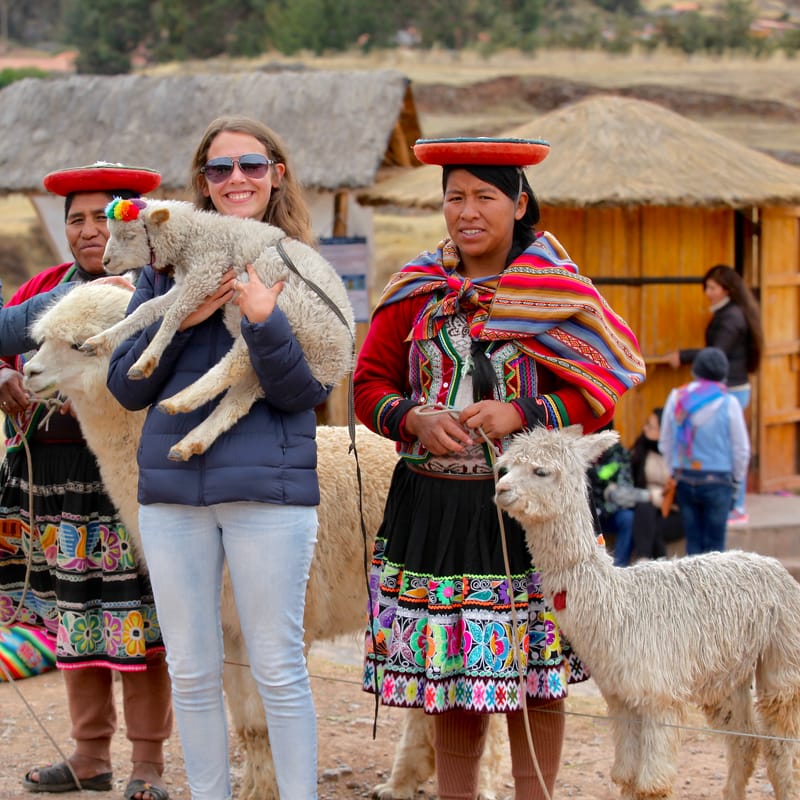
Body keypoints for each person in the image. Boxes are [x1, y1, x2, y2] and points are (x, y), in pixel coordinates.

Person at [353, 136, 645, 800]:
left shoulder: (556, 292)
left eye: (484, 196)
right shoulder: (416, 289)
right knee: (454, 675)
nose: (467, 211)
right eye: (454, 197)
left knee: (536, 674)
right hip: (437, 510)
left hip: (535, 515)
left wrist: (526, 410)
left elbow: (602, 391)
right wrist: (413, 419)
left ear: (519, 202)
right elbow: (367, 384)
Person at [107, 116, 328, 800]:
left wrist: (263, 323)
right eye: (220, 168)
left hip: (269, 493)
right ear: (201, 182)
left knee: (277, 666)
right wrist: (191, 317)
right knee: (194, 670)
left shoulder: (297, 264)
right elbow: (126, 384)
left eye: (252, 166)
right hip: (173, 496)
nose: (237, 179)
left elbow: (305, 392)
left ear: (276, 175)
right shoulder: (160, 268)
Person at [0, 162, 173, 800]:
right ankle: (88, 755)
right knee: (75, 618)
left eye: (103, 216)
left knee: (144, 624)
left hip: (129, 475)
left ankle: (147, 765)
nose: (89, 229)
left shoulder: (154, 292)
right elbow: (8, 344)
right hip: (52, 477)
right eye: (76, 218)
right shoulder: (47, 288)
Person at [665, 264, 763, 524]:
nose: (707, 292)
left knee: (731, 450)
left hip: (730, 389)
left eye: (712, 287)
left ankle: (736, 507)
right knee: (728, 448)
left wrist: (683, 356)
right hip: (730, 388)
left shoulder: (730, 318)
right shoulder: (729, 313)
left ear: (726, 289)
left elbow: (715, 354)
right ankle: (732, 504)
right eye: (706, 287)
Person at [659, 347, 750, 555]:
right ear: (723, 374)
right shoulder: (729, 403)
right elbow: (741, 449)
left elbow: (666, 440)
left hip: (684, 477)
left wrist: (672, 471)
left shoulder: (676, 397)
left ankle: (694, 588)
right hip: (718, 481)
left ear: (695, 370)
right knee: (716, 550)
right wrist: (736, 480)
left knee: (693, 544)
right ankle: (715, 588)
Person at [629, 407, 685, 561]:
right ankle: (645, 561)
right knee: (645, 509)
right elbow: (632, 484)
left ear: (664, 431)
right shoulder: (641, 450)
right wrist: (653, 497)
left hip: (674, 511)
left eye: (651, 426)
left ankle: (648, 564)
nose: (645, 428)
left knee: (653, 528)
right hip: (647, 506)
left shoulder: (679, 455)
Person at [587, 425, 646, 567]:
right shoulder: (581, 454)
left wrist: (606, 501)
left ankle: (619, 568)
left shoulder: (619, 454)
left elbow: (624, 491)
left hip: (610, 512)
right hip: (587, 513)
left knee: (628, 518)